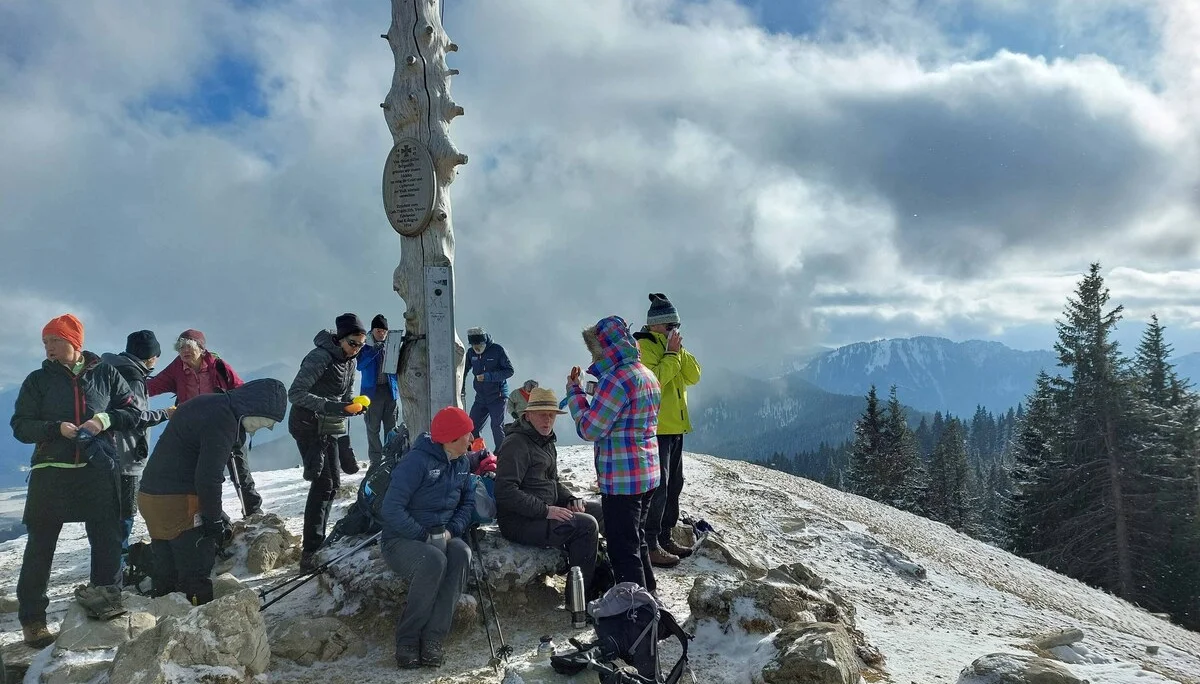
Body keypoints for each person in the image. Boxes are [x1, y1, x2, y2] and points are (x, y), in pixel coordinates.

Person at [10, 314, 139, 647]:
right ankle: (33, 620)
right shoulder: (38, 380)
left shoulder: (106, 374)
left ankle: (106, 602)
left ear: (73, 342)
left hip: (97, 470)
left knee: (107, 539)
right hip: (51, 471)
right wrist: (56, 428)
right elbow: (20, 426)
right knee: (40, 546)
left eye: (55, 340)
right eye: (45, 342)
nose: (49, 348)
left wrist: (102, 420)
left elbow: (132, 412)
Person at [138, 379, 286, 605]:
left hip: (150, 497)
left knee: (166, 570)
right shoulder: (223, 421)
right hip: (178, 504)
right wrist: (213, 520)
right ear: (255, 409)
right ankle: (200, 618)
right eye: (268, 421)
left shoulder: (208, 403)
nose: (267, 428)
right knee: (195, 572)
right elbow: (208, 477)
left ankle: (162, 614)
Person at [566, 316, 661, 593]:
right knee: (637, 541)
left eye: (594, 348)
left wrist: (574, 393)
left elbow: (589, 428)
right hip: (647, 472)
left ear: (604, 347)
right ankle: (650, 600)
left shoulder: (616, 379)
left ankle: (634, 611)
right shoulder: (645, 373)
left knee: (623, 548)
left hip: (622, 478)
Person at [379, 406, 475, 669]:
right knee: (434, 560)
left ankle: (434, 637)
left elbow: (468, 502)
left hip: (442, 533)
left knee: (461, 553)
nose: (471, 438)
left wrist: (451, 531)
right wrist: (423, 535)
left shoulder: (463, 463)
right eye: (467, 433)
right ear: (451, 438)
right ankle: (407, 640)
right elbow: (391, 508)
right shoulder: (416, 462)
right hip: (401, 539)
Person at [495, 387, 603, 596]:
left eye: (551, 415)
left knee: (599, 512)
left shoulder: (545, 441)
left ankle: (611, 578)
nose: (547, 420)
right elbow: (505, 491)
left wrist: (570, 499)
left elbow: (553, 482)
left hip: (544, 510)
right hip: (520, 521)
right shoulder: (516, 443)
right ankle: (579, 597)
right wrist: (546, 511)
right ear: (528, 415)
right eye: (542, 414)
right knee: (586, 525)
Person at [147, 329, 261, 516]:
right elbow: (153, 386)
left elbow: (240, 389)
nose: (184, 351)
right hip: (195, 432)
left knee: (239, 471)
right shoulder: (177, 368)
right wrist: (127, 388)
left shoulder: (218, 366)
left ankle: (253, 512)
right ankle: (211, 516)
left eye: (189, 346)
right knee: (203, 476)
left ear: (201, 349)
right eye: (181, 347)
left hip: (225, 426)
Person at [289, 314, 367, 570]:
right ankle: (310, 551)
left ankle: (316, 544)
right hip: (307, 425)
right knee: (323, 483)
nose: (356, 349)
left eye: (361, 345)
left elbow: (345, 395)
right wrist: (333, 406)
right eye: (353, 343)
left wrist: (352, 406)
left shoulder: (350, 361)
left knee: (333, 484)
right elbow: (295, 393)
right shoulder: (320, 357)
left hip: (329, 425)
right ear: (340, 338)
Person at [634, 293, 702, 567]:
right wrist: (672, 354)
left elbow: (694, 376)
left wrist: (678, 351)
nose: (675, 330)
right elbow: (654, 381)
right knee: (658, 487)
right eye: (671, 325)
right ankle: (650, 542)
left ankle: (665, 535)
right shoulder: (644, 346)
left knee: (675, 484)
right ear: (656, 324)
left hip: (675, 427)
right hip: (656, 427)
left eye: (677, 325)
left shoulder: (671, 347)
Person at [100, 331, 172, 566]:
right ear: (151, 357)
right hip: (126, 454)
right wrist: (166, 413)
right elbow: (136, 417)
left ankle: (105, 568)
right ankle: (116, 571)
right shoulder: (132, 376)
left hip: (101, 452)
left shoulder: (108, 368)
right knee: (125, 515)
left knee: (107, 516)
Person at [356, 314, 400, 468]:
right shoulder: (364, 346)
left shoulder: (392, 345)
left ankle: (390, 457)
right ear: (372, 331)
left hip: (390, 391)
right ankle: (375, 460)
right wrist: (374, 351)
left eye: (384, 331)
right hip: (371, 394)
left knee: (391, 427)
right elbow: (360, 365)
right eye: (378, 331)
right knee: (373, 428)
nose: (381, 334)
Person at [460, 326, 514, 450]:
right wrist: (461, 388)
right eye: (474, 345)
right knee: (472, 427)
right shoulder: (471, 353)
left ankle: (502, 454)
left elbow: (509, 371)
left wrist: (488, 377)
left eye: (479, 345)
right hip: (481, 397)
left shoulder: (497, 350)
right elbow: (463, 370)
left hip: (498, 396)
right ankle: (478, 452)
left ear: (485, 342)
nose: (477, 348)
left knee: (496, 426)